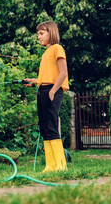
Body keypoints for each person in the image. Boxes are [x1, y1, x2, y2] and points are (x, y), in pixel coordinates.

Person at [24, 21, 69, 172]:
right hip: (43, 89)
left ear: (51, 33)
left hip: (52, 90)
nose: (38, 37)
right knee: (45, 128)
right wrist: (35, 81)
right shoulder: (45, 53)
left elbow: (63, 73)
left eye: (41, 33)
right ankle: (50, 165)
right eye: (38, 34)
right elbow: (49, 76)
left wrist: (52, 91)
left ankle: (61, 165)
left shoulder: (57, 48)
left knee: (51, 127)